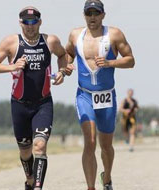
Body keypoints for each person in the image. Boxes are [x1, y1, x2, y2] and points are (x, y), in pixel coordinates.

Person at [0, 6, 67, 190]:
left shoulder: (50, 41)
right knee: (25, 151)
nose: (30, 26)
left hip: (43, 103)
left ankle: (38, 187)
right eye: (26, 22)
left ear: (40, 22)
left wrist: (62, 71)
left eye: (33, 22)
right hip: (19, 105)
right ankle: (30, 180)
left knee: (39, 146)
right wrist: (12, 67)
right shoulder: (11, 42)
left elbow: (62, 55)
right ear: (20, 23)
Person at [65, 0, 135, 190]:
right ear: (84, 15)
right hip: (85, 95)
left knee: (106, 146)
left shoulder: (114, 34)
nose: (92, 17)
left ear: (103, 15)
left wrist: (111, 63)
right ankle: (90, 187)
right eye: (89, 13)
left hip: (106, 97)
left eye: (96, 13)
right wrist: (66, 68)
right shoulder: (75, 35)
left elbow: (130, 60)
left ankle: (107, 178)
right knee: (90, 141)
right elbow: (67, 54)